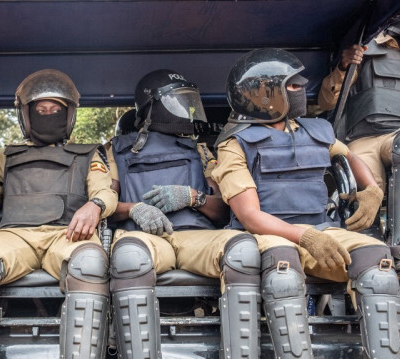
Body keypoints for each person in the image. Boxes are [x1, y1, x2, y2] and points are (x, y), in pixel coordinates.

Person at [107, 69, 311, 359]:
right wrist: (134, 208)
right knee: (129, 258)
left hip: (197, 237)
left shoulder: (201, 152)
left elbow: (222, 211)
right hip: (143, 237)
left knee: (243, 251)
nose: (186, 110)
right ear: (152, 105)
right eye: (176, 101)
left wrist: (193, 197)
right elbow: (101, 205)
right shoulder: (114, 151)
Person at [214, 48, 400, 358]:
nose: (302, 88)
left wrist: (371, 190)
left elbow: (349, 156)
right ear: (263, 94)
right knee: (283, 275)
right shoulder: (235, 143)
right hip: (267, 236)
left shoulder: (317, 130)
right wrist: (304, 236)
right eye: (292, 85)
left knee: (378, 264)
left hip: (321, 228)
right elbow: (249, 215)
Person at [0, 69, 117, 359]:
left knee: (90, 263)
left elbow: (106, 191)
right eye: (41, 110)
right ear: (26, 115)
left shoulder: (88, 154)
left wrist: (96, 206)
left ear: (69, 115)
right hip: (15, 235)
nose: (48, 114)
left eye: (55, 110)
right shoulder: (6, 155)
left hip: (66, 235)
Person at [318, 3, 400, 282]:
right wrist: (344, 66)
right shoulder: (367, 45)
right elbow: (326, 103)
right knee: (358, 194)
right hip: (363, 139)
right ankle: (369, 263)